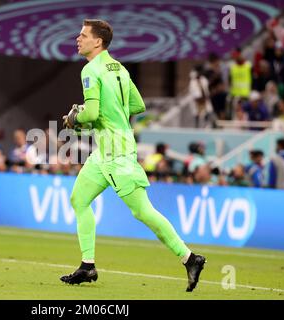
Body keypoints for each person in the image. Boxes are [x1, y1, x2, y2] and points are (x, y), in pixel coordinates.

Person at [60, 19, 206, 292]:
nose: (77, 39)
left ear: (98, 42)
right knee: (79, 199)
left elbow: (91, 114)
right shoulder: (120, 69)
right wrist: (110, 113)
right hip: (106, 151)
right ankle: (87, 266)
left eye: (83, 35)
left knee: (142, 211)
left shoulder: (90, 70)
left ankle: (189, 258)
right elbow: (137, 105)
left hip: (116, 152)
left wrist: (74, 118)